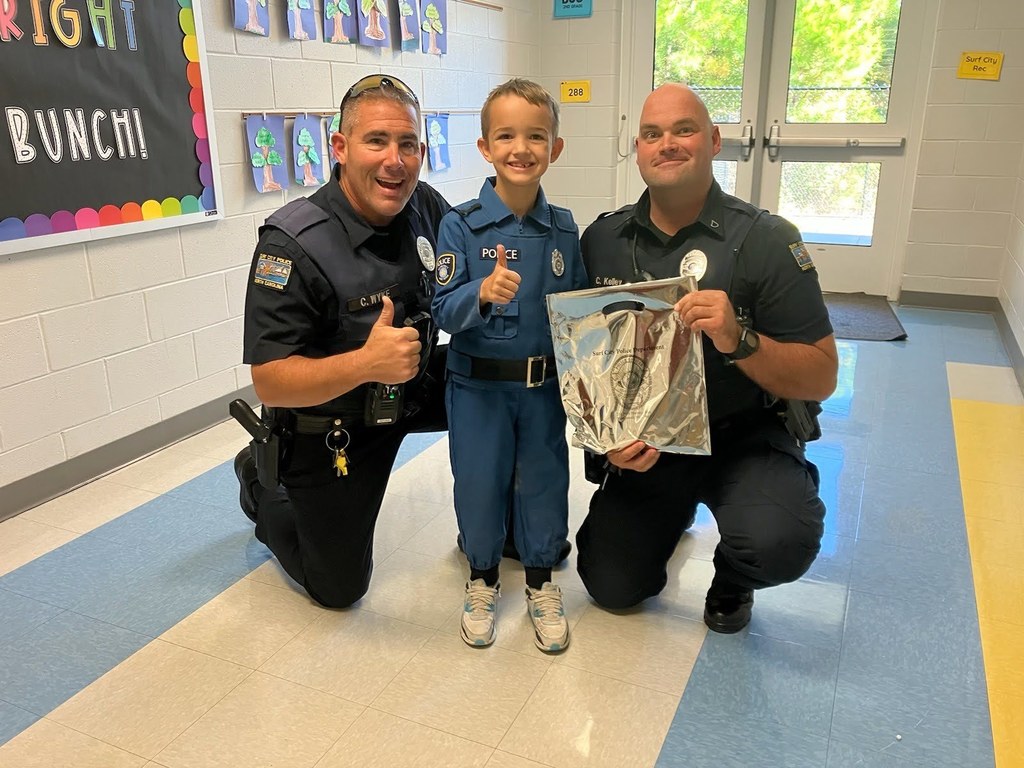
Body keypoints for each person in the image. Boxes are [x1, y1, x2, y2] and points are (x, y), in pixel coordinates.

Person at [576, 83, 838, 634]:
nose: (666, 144)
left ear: (715, 141)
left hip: (742, 434)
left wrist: (739, 339)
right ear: (638, 149)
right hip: (652, 442)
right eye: (652, 134)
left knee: (779, 541)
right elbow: (588, 365)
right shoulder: (603, 239)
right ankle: (671, 513)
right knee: (612, 586)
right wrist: (608, 443)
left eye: (683, 130)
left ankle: (733, 576)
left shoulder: (767, 240)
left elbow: (821, 374)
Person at [233, 74, 450, 608]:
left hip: (413, 387)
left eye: (407, 144)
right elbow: (271, 381)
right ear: (340, 147)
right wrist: (364, 364)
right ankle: (260, 486)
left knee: (514, 379)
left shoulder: (425, 205)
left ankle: (504, 529)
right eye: (376, 141)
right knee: (338, 589)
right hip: (336, 422)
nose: (394, 161)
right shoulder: (292, 245)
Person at [431, 79, 588, 651]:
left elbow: (579, 316)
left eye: (536, 136)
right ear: (484, 147)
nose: (521, 148)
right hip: (477, 390)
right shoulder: (460, 225)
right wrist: (483, 293)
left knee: (544, 483)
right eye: (506, 136)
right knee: (479, 483)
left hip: (543, 390)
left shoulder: (565, 231)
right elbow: (442, 308)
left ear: (555, 148)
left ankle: (543, 582)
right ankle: (482, 578)